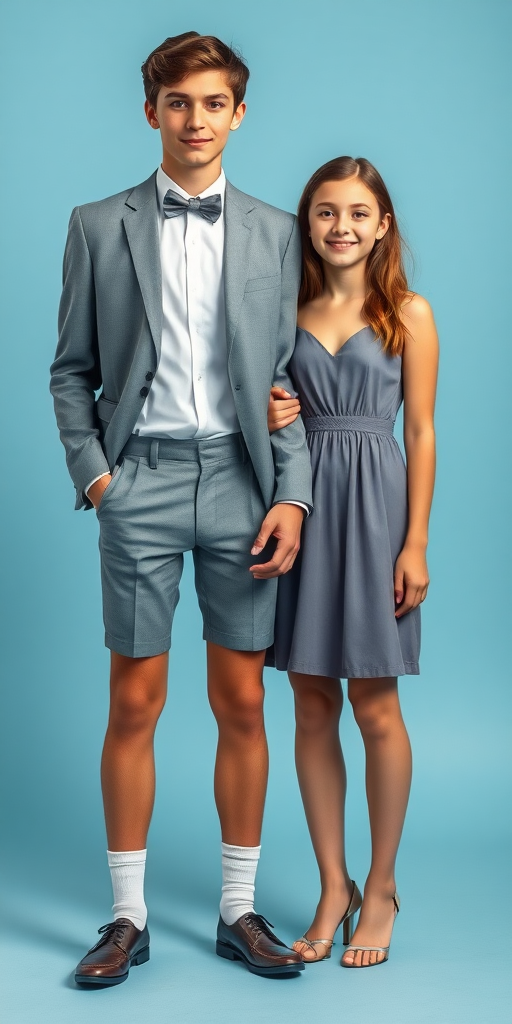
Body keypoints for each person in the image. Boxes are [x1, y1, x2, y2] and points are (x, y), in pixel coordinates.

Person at [50, 32, 312, 984]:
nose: (195, 121)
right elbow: (70, 369)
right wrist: (96, 477)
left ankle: (239, 910)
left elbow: (286, 383)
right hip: (142, 485)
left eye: (213, 105)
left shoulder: (278, 233)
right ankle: (127, 921)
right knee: (136, 699)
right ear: (150, 110)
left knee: (241, 698)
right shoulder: (94, 224)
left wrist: (294, 494)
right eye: (178, 103)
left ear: (239, 115)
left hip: (243, 487)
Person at [267, 156, 438, 967]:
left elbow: (421, 433)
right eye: (327, 212)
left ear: (383, 225)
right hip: (306, 509)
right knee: (309, 701)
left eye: (358, 213)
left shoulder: (409, 312)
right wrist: (268, 408)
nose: (342, 227)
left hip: (376, 519)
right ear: (308, 223)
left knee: (375, 706)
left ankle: (383, 882)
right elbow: (260, 410)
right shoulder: (282, 312)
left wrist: (416, 543)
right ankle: (332, 883)